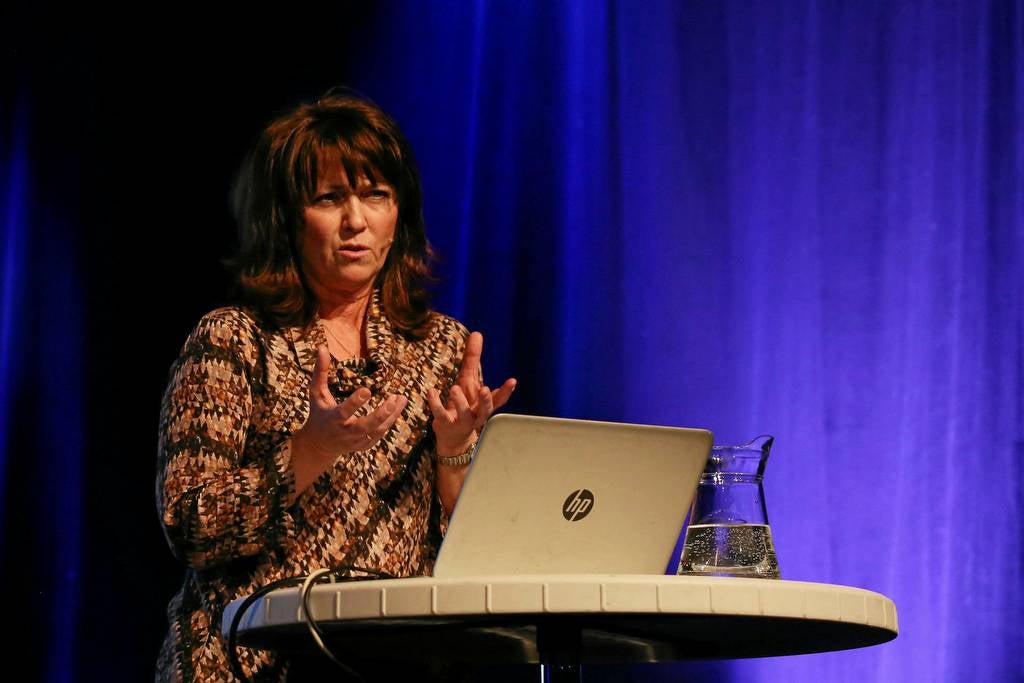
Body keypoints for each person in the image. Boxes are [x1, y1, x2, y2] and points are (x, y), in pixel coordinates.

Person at [155, 88, 516, 682]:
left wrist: (455, 452)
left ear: (399, 214)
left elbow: (473, 553)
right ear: (285, 217)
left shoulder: (441, 347)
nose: (356, 221)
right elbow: (191, 528)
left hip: (391, 661)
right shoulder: (234, 339)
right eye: (329, 198)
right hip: (249, 665)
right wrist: (308, 452)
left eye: (376, 195)